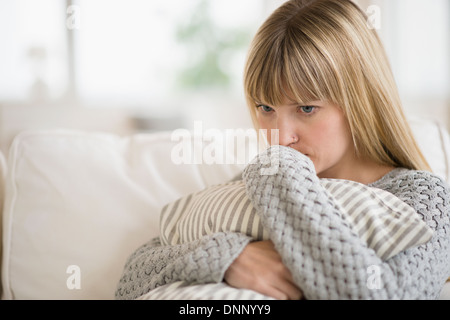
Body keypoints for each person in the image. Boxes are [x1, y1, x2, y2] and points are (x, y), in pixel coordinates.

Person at [115, 0, 450, 300]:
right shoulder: (246, 185)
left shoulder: (425, 198)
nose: (279, 137)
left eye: (306, 109)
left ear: (360, 100)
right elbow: (131, 279)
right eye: (265, 107)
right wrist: (231, 257)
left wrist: (279, 173)